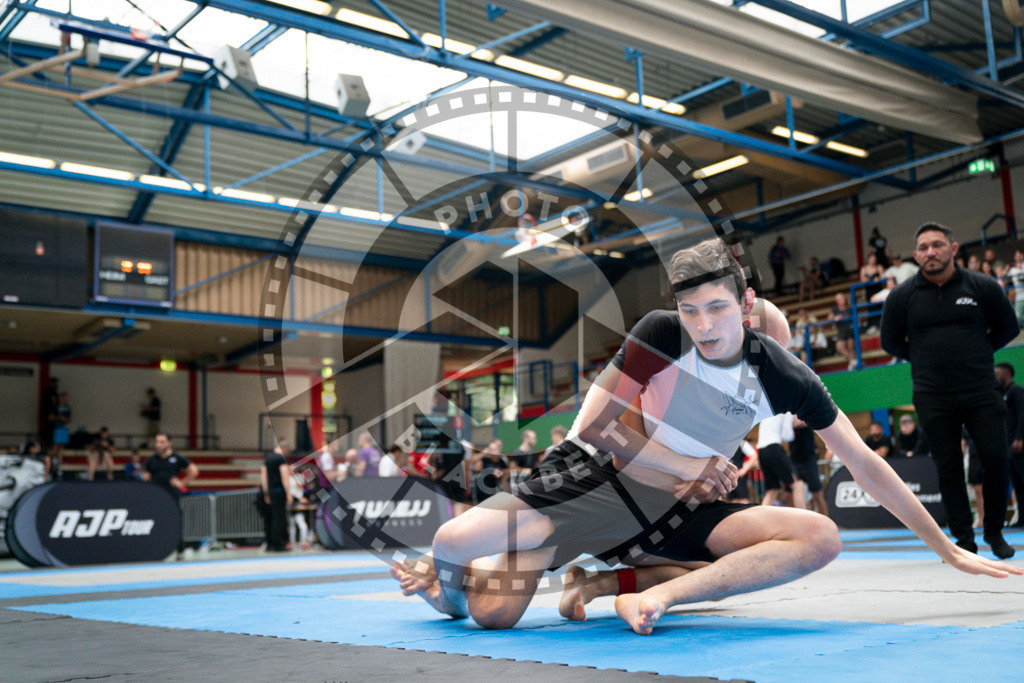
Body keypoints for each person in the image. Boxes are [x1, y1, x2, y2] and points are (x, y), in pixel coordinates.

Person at [393, 238, 1018, 635]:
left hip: (672, 511)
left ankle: (652, 595)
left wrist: (947, 550)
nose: (704, 326)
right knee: (478, 591)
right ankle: (441, 585)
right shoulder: (665, 332)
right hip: (597, 483)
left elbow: (863, 463)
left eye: (718, 310)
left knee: (819, 537)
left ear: (746, 310)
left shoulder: (781, 370)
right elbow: (594, 427)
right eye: (694, 311)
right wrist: (679, 470)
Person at [880, 221, 1018, 559]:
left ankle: (995, 531)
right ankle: (964, 539)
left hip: (981, 390)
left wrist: (979, 350)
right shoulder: (902, 296)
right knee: (948, 466)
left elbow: (1008, 327)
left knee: (997, 458)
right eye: (924, 247)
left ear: (953, 249)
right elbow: (889, 340)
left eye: (938, 245)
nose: (931, 252)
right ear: (916, 256)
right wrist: (923, 358)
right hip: (932, 395)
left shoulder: (982, 286)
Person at [143, 433, 199, 558]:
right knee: (155, 523)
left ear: (169, 443)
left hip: (172, 496)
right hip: (156, 497)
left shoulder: (177, 458)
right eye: (157, 442)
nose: (158, 445)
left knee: (176, 523)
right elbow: (146, 478)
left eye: (162, 442)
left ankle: (180, 550)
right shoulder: (151, 460)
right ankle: (154, 549)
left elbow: (194, 470)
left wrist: (182, 482)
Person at [995, 362, 1024, 528]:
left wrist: (1020, 438)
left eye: (997, 373)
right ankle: (1022, 518)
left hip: (1019, 443)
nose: (995, 376)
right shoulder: (1003, 394)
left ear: (1006, 374)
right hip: (1009, 446)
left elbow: (1022, 414)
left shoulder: (1016, 390)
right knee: (1018, 483)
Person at [754, 412, 800, 508]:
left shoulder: (769, 408)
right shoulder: (789, 409)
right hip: (773, 448)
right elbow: (787, 436)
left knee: (772, 489)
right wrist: (794, 423)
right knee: (796, 484)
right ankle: (805, 519)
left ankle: (761, 520)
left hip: (761, 451)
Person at [260, 437, 293, 552]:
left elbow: (263, 476)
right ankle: (279, 544)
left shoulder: (267, 458)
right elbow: (285, 477)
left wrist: (266, 493)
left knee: (269, 518)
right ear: (285, 448)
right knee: (279, 518)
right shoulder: (281, 459)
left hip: (269, 492)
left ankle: (269, 544)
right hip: (278, 491)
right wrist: (288, 493)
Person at [790, 415, 827, 515]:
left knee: (817, 494)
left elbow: (800, 422)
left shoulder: (806, 417)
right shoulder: (788, 419)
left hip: (809, 461)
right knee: (795, 493)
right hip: (795, 461)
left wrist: (792, 421)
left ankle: (826, 520)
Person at [829, 292, 858, 370]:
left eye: (843, 298)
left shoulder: (849, 309)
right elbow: (830, 318)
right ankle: (853, 361)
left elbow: (857, 318)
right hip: (841, 331)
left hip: (850, 330)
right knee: (839, 347)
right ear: (837, 301)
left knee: (851, 347)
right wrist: (836, 317)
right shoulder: (835, 309)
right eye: (841, 299)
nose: (843, 300)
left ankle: (854, 366)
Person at [50, 391, 71, 479]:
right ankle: (53, 460)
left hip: (65, 428)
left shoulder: (67, 407)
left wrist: (66, 419)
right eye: (63, 397)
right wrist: (59, 418)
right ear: (60, 398)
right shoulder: (56, 407)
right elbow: (50, 417)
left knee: (62, 445)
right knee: (56, 444)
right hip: (58, 427)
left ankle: (60, 461)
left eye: (66, 398)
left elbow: (69, 418)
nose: (65, 399)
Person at [1006, 249, 1024, 326]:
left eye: (1020, 254)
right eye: (1016, 255)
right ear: (1014, 257)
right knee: (1017, 318)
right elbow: (1003, 276)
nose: (1018, 257)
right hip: (1019, 297)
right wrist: (1007, 270)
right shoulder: (1011, 269)